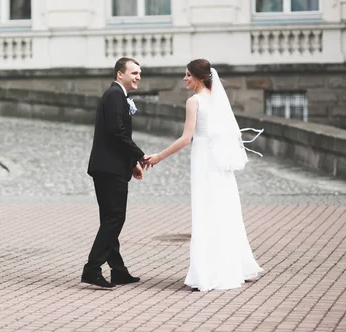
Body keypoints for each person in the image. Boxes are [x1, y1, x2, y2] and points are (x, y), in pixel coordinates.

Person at [144, 59, 263, 291]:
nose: (184, 79)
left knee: (205, 212)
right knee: (224, 211)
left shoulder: (194, 101)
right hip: (218, 162)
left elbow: (186, 138)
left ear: (198, 77)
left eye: (188, 75)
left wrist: (159, 156)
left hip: (204, 161)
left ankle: (208, 273)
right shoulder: (217, 99)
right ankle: (235, 266)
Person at [82, 57, 146, 288]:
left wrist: (130, 163)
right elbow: (117, 133)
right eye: (134, 72)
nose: (138, 76)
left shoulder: (119, 96)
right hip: (109, 168)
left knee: (110, 218)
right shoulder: (114, 96)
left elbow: (117, 135)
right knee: (115, 218)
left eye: (139, 73)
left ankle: (118, 270)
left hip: (111, 166)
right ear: (120, 74)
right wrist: (139, 155)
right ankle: (92, 269)